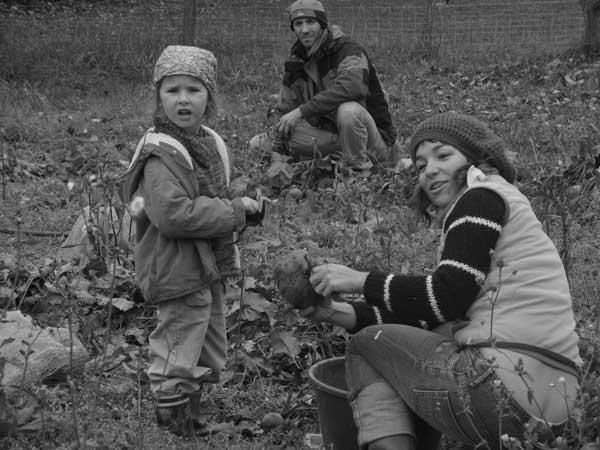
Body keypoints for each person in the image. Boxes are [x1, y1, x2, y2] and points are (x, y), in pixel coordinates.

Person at [305, 112, 582, 450]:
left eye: (443, 155)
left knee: (365, 346)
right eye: (421, 165)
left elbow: (446, 296)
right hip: (553, 408)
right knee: (399, 347)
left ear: (476, 158)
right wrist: (339, 313)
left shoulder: (480, 197)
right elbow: (437, 315)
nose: (429, 170)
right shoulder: (500, 201)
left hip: (500, 387)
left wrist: (361, 280)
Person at [118, 45, 261, 436]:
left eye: (194, 90)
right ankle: (173, 420)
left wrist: (243, 194)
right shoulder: (161, 155)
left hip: (206, 263)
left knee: (205, 336)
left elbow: (216, 188)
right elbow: (173, 215)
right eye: (172, 90)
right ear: (158, 97)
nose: (183, 100)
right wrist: (234, 212)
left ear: (210, 97)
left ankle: (191, 414)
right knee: (180, 337)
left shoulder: (207, 142)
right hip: (175, 264)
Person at [253, 0, 397, 171]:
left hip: (371, 140)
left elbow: (353, 87)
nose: (304, 29)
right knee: (258, 144)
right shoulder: (296, 61)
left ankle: (359, 173)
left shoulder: (347, 49)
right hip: (329, 136)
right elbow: (284, 110)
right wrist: (277, 146)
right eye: (298, 24)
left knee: (349, 111)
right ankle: (329, 160)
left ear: (322, 24)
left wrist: (301, 111)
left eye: (310, 22)